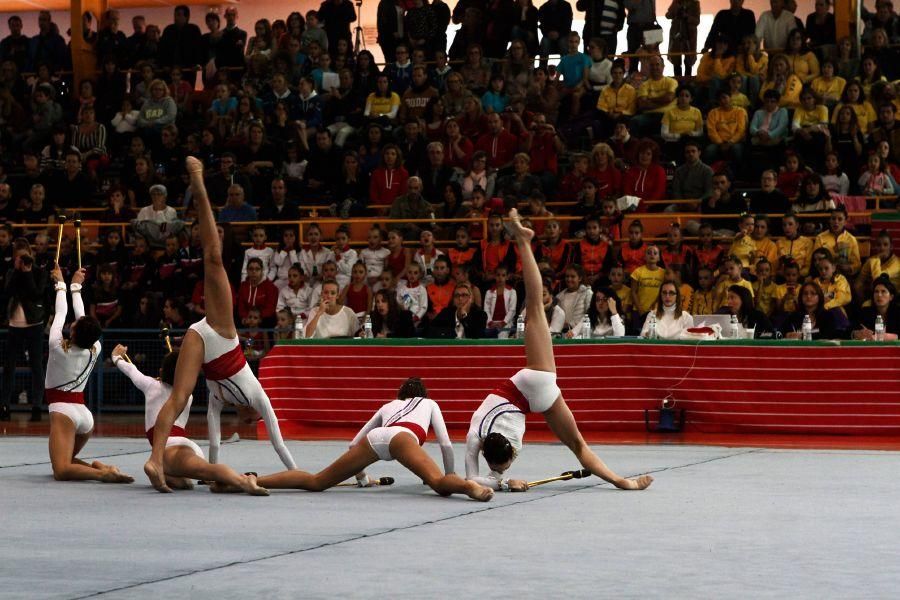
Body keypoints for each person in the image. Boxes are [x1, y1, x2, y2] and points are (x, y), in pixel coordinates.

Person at [464, 209, 653, 493]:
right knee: (536, 310)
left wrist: (501, 483)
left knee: (578, 444)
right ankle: (524, 242)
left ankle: (622, 481)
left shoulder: (485, 440)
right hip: (532, 387)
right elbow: (475, 479)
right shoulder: (476, 432)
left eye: (504, 465)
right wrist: (502, 482)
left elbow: (470, 481)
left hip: (530, 392)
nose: (504, 468)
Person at [144, 157, 297, 493]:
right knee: (213, 257)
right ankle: (198, 184)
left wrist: (213, 478)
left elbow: (214, 447)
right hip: (224, 334)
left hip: (202, 339)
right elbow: (280, 444)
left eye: (244, 419)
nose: (246, 417)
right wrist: (298, 477)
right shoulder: (258, 396)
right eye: (249, 418)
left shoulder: (218, 396)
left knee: (181, 397)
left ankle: (156, 459)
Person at [257, 377, 493, 501]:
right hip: (401, 439)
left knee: (316, 481)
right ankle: (469, 488)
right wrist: (447, 475)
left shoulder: (388, 404)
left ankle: (254, 480)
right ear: (423, 395)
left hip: (374, 439)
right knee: (441, 486)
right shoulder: (430, 403)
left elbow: (353, 443)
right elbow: (446, 444)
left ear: (400, 394)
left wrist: (361, 478)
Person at [112, 345, 266, 494]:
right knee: (190, 481)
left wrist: (116, 357)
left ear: (160, 372)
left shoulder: (150, 385)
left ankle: (243, 482)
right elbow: (175, 384)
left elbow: (131, 370)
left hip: (169, 447)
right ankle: (175, 477)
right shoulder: (187, 396)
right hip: (185, 446)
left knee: (209, 471)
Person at [46, 265, 133, 483]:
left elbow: (60, 313)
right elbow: (80, 316)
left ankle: (102, 474)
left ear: (73, 332)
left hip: (64, 412)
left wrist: (60, 285)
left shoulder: (57, 347)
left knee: (61, 470)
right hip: (84, 416)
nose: (73, 322)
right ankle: (102, 467)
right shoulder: (95, 348)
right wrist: (74, 286)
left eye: (74, 325)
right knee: (68, 459)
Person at [851, 276, 900, 341]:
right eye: (876, 292)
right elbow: (847, 331)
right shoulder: (865, 313)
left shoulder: (898, 313)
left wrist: (892, 337)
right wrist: (856, 334)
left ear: (891, 297)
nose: (879, 295)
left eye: (883, 291)